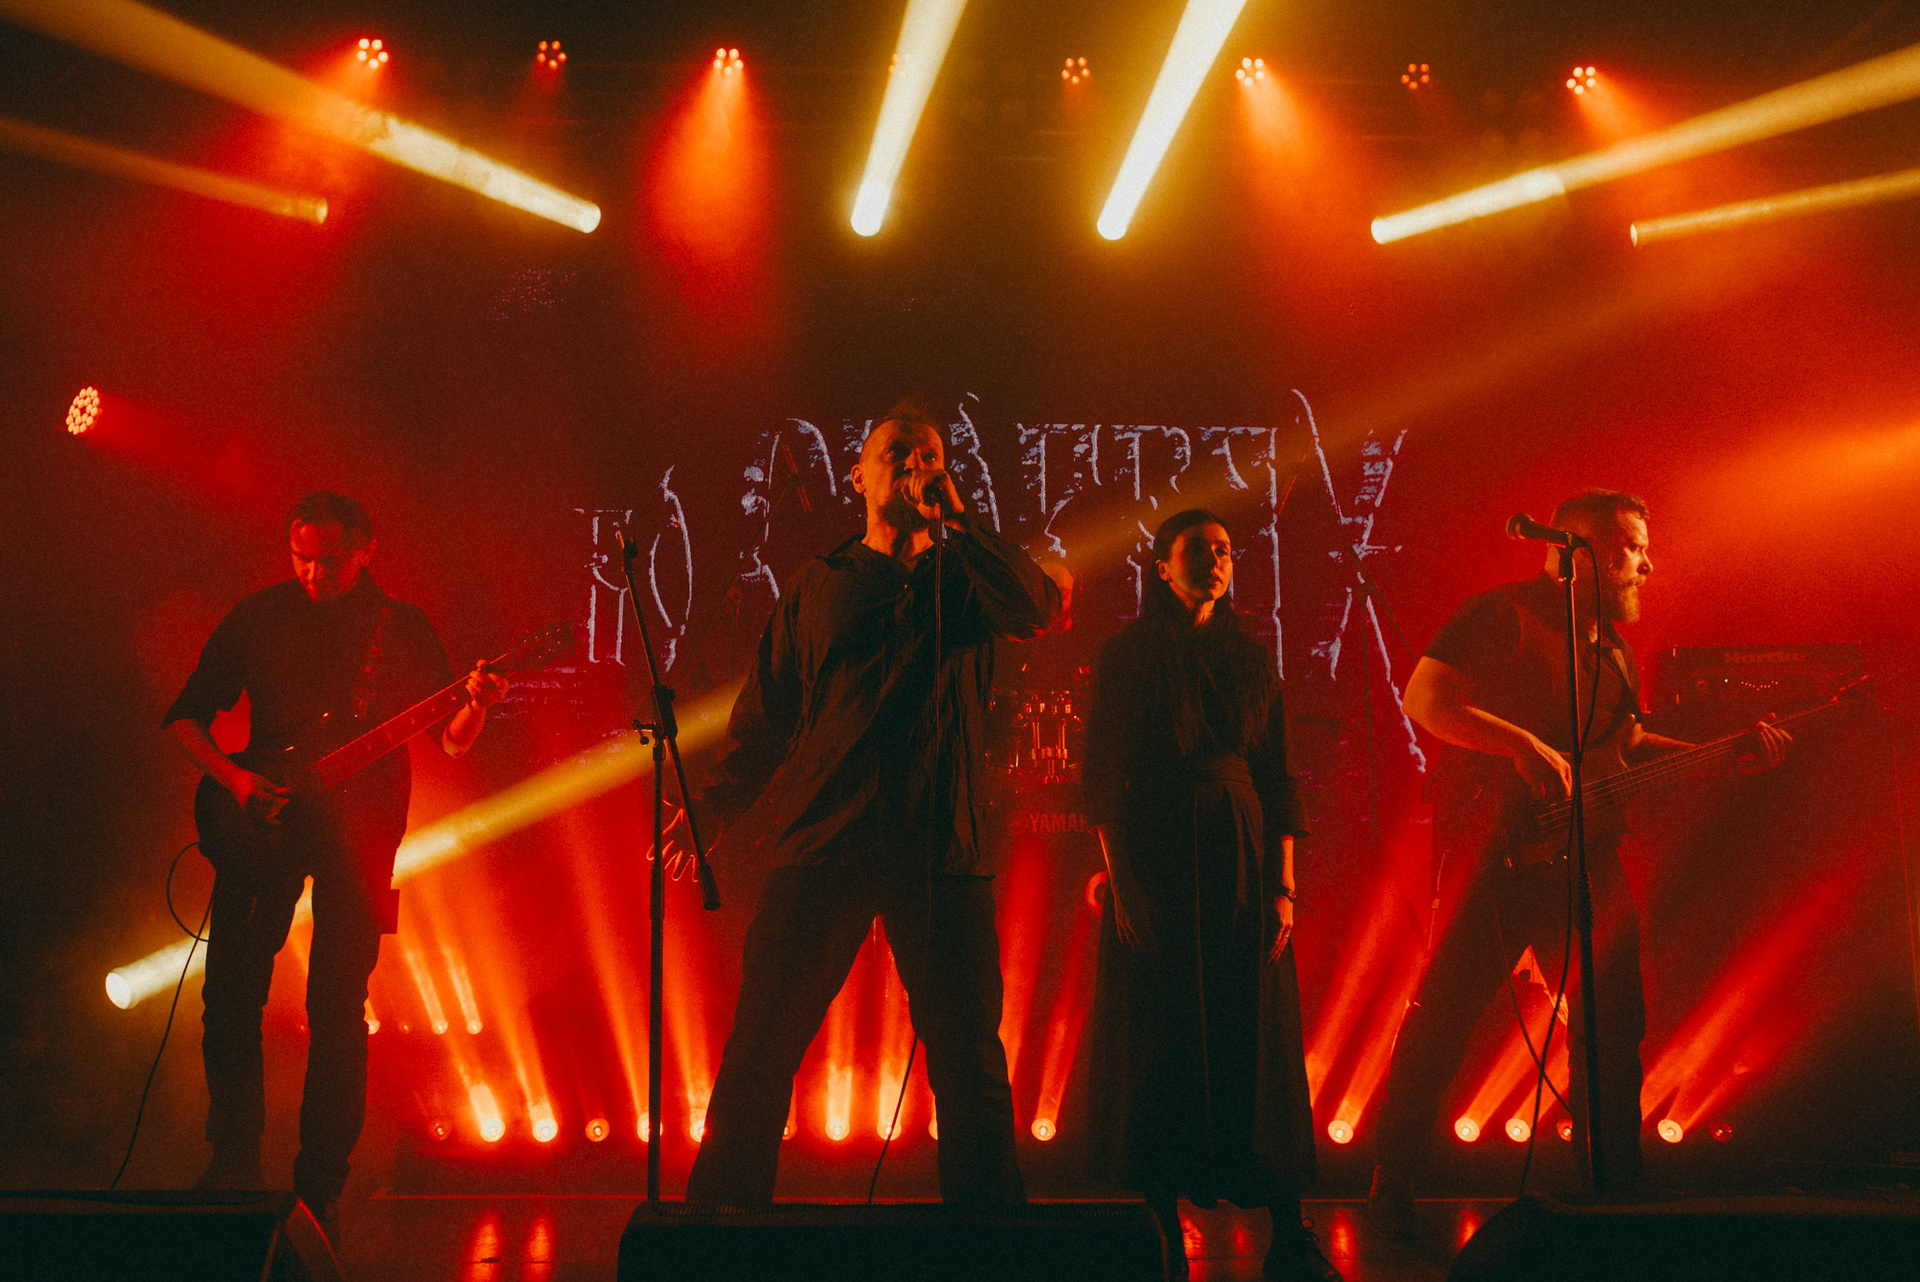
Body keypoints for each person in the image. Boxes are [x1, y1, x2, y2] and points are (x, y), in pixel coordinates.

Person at [1367, 489, 1790, 1228]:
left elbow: (1625, 744)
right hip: (1496, 853)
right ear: (1577, 551)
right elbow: (1425, 699)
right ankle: (1391, 1176)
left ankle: (1612, 1184)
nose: (1646, 565)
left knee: (1614, 1019)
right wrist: (1521, 744)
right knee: (1445, 1018)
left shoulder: (1613, 650)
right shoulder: (1500, 615)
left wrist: (1723, 756)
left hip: (1588, 854)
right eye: (1630, 548)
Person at [680, 402, 1062, 1208]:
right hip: (825, 838)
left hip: (939, 847)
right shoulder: (818, 586)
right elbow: (767, 715)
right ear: (857, 476)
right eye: (900, 453)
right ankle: (720, 1223)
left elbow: (1035, 606)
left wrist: (962, 521)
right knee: (762, 1044)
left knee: (969, 1060)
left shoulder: (966, 577)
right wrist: (714, 808)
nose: (919, 465)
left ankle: (990, 1238)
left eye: (932, 456)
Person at [164, 492, 507, 1233]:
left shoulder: (400, 627)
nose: (313, 572)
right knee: (229, 996)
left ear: (366, 549)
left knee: (339, 1012)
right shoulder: (261, 614)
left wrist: (476, 701)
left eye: (328, 560)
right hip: (262, 825)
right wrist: (236, 780)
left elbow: (451, 740)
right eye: (301, 557)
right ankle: (232, 1160)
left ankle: (320, 1190)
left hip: (362, 836)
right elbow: (185, 717)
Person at [1084, 509, 1340, 1282]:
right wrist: (1123, 883)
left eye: (1225, 550)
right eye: (1198, 550)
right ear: (1162, 566)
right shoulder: (1127, 656)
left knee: (1255, 1029)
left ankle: (1287, 1231)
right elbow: (1103, 778)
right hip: (1158, 849)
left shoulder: (1251, 658)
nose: (1216, 561)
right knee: (1161, 1035)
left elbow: (1278, 775)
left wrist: (1284, 887)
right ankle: (1160, 1224)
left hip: (1241, 853)